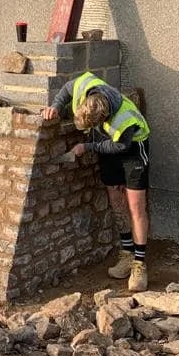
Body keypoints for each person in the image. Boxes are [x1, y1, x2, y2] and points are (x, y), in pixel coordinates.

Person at [43, 71, 150, 293]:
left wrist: (88, 147)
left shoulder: (124, 119)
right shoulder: (86, 86)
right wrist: (56, 106)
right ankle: (127, 254)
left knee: (135, 206)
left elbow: (120, 146)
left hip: (132, 150)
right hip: (108, 144)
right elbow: (66, 89)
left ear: (104, 119)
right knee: (116, 202)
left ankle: (139, 265)